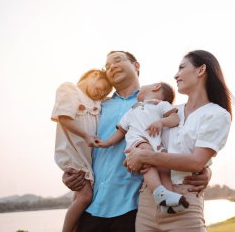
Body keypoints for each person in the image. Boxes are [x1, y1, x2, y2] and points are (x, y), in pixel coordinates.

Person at [61, 51, 212, 232]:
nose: (112, 67)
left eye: (118, 60)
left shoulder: (158, 103)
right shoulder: (96, 106)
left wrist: (207, 170)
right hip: (92, 208)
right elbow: (77, 143)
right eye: (107, 66)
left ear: (136, 66)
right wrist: (70, 171)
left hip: (134, 209)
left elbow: (183, 142)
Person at [125, 50, 235, 232]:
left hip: (185, 202)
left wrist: (144, 156)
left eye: (182, 67)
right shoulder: (167, 111)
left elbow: (196, 161)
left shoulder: (217, 114)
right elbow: (140, 142)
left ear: (201, 70)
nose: (176, 75)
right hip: (147, 203)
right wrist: (134, 159)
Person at [95, 82, 190, 213]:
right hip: (137, 145)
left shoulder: (161, 105)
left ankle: (169, 199)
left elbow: (175, 119)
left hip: (156, 146)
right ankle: (158, 192)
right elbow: (120, 132)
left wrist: (161, 122)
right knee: (147, 160)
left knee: (164, 169)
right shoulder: (132, 110)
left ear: (156, 87)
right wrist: (106, 143)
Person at [51, 69, 112, 232]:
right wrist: (86, 135)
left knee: (80, 199)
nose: (102, 92)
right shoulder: (70, 90)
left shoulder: (97, 103)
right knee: (85, 196)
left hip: (87, 159)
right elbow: (64, 118)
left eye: (105, 92)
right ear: (94, 75)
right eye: (103, 87)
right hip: (73, 155)